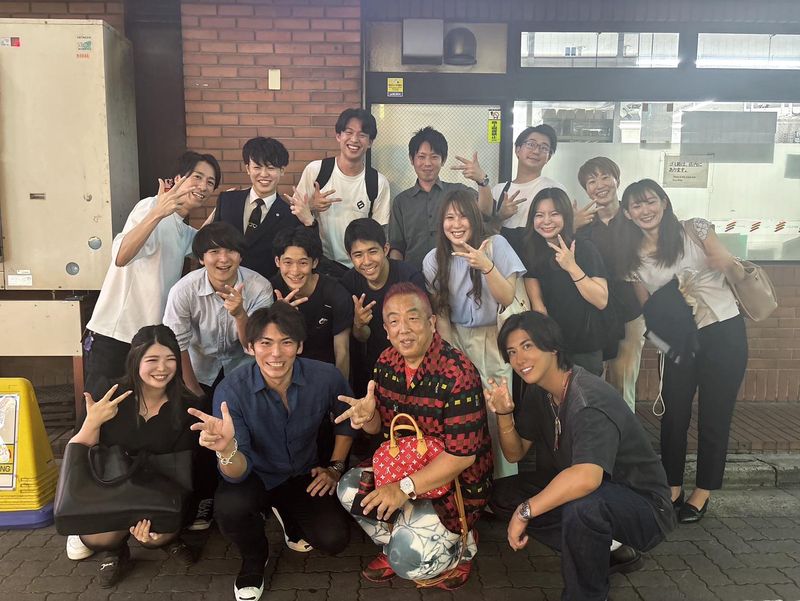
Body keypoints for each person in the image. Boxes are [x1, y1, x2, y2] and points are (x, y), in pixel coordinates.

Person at [489, 311, 675, 601]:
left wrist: (526, 511)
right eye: (512, 352)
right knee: (503, 495)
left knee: (583, 509)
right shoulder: (540, 392)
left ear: (552, 347)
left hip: (644, 505)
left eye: (527, 346)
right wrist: (503, 414)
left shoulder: (587, 399)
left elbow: (587, 478)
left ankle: (586, 593)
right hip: (597, 491)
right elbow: (515, 454)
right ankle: (606, 549)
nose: (519, 359)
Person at [188, 303, 356, 601]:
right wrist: (226, 450)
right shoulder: (231, 391)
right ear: (250, 347)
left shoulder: (326, 377)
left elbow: (347, 420)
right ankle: (255, 558)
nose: (276, 353)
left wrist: (335, 467)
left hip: (303, 472)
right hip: (255, 474)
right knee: (231, 508)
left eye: (286, 342)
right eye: (265, 343)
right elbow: (236, 474)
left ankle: (287, 513)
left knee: (334, 540)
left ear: (299, 346)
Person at [334, 283, 492, 590]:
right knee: (349, 489)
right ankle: (397, 542)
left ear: (432, 322)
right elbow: (380, 429)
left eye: (413, 318)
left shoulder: (458, 372)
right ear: (386, 330)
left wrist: (402, 488)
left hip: (455, 484)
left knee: (408, 564)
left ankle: (463, 547)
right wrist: (367, 418)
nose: (403, 329)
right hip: (404, 465)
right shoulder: (386, 363)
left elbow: (462, 457)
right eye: (394, 321)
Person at [617, 179, 748, 523]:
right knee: (674, 414)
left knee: (715, 415)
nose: (645, 210)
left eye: (650, 201)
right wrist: (665, 347)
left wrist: (726, 260)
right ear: (627, 214)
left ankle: (702, 492)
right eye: (636, 206)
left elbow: (735, 272)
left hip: (723, 331)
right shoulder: (632, 257)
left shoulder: (695, 231)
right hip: (679, 342)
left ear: (664, 202)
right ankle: (672, 486)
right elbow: (647, 310)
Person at [65, 325, 202, 587]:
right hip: (111, 488)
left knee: (157, 536)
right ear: (135, 359)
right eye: (152, 359)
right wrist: (92, 422)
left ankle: (169, 540)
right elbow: (79, 453)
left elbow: (183, 473)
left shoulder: (188, 406)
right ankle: (116, 551)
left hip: (159, 490)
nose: (162, 368)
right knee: (96, 538)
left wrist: (160, 520)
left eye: (170, 359)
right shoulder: (109, 394)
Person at [83, 151, 221, 403]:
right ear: (177, 178)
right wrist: (157, 212)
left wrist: (225, 208)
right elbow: (121, 257)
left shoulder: (181, 229)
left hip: (147, 341)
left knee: (139, 415)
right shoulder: (150, 207)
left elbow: (204, 244)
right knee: (100, 413)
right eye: (197, 177)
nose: (203, 186)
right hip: (116, 337)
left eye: (210, 182)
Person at [423, 190, 526, 476]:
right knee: (464, 413)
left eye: (463, 216)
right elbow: (441, 312)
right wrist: (450, 356)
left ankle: (505, 480)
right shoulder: (433, 259)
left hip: (493, 337)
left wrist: (486, 266)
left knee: (498, 410)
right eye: (449, 217)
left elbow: (507, 297)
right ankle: (471, 481)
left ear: (475, 218)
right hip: (456, 337)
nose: (456, 224)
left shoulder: (496, 245)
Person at [163, 222, 274, 398]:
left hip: (244, 370)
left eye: (231, 251)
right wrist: (193, 390)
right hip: (198, 370)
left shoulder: (260, 287)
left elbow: (254, 346)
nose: (223, 259)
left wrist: (240, 314)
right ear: (201, 258)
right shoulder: (183, 290)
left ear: (240, 256)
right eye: (214, 251)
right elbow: (177, 344)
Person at [575, 157, 645, 411]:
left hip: (630, 311)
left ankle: (624, 434)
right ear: (586, 190)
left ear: (617, 180)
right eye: (591, 181)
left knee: (623, 380)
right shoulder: (583, 225)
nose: (600, 185)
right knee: (591, 380)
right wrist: (570, 226)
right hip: (593, 313)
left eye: (605, 177)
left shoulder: (636, 218)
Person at [521, 187, 610, 376]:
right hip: (551, 345)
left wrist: (571, 266)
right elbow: (537, 301)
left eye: (554, 214)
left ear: (566, 216)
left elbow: (601, 300)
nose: (546, 221)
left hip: (584, 345)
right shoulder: (532, 249)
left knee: (584, 393)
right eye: (539, 215)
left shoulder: (584, 248)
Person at [296, 108, 390, 270]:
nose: (354, 139)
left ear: (370, 142)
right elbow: (296, 213)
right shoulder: (316, 170)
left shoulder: (378, 182)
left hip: (360, 267)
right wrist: (311, 205)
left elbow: (379, 231)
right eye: (348, 132)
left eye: (362, 135)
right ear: (338, 136)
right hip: (321, 264)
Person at [340, 218, 426, 395]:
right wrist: (359, 324)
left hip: (410, 359)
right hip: (371, 367)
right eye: (358, 255)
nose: (367, 261)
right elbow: (361, 338)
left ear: (385, 249)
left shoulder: (408, 277)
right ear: (350, 257)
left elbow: (422, 330)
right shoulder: (349, 284)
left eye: (372, 251)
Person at [451, 124, 565, 255]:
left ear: (548, 157)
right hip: (502, 260)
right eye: (531, 144)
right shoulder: (499, 190)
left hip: (541, 259)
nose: (536, 151)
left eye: (544, 148)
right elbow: (484, 226)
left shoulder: (554, 189)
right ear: (517, 150)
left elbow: (562, 231)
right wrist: (500, 216)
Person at [213, 136, 315, 279]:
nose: (264, 174)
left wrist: (310, 221)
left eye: (271, 168)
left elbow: (309, 253)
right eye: (257, 167)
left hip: (266, 286)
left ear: (282, 170)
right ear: (248, 169)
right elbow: (211, 243)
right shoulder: (227, 201)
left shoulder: (290, 215)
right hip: (223, 282)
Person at [388, 126, 476, 271]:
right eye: (421, 157)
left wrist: (482, 181)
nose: (427, 163)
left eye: (434, 157)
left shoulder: (457, 192)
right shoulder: (401, 201)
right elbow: (397, 247)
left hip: (454, 275)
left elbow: (485, 210)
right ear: (412, 159)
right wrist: (398, 276)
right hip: (413, 276)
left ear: (443, 160)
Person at [270, 226, 353, 378]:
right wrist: (278, 317)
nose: (295, 271)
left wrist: (339, 389)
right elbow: (265, 347)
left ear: (314, 262)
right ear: (277, 261)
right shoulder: (270, 291)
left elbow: (342, 351)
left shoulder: (335, 293)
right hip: (284, 372)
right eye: (287, 262)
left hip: (325, 372)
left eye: (303, 263)